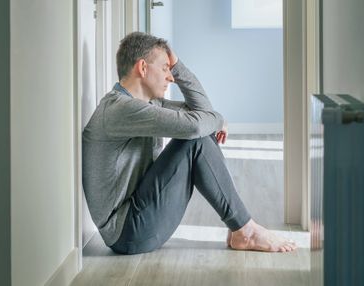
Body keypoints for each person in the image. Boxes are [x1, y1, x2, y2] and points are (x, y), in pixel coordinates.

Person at [82, 32, 296, 255]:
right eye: (165, 68)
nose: (171, 77)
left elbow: (202, 113)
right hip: (128, 233)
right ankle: (245, 230)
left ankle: (241, 228)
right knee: (195, 140)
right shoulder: (120, 109)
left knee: (199, 134)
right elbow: (196, 126)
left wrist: (177, 64)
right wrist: (219, 120)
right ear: (143, 68)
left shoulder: (148, 104)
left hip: (139, 219)